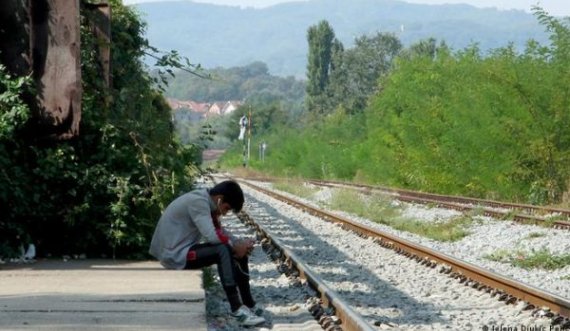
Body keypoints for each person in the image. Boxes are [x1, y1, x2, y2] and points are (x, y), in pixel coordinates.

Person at [149, 180, 265, 326]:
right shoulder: (198, 202)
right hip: (174, 255)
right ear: (220, 199)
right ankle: (237, 309)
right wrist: (234, 247)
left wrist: (239, 243)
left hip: (183, 249)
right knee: (223, 250)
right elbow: (212, 236)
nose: (225, 212)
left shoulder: (206, 202)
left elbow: (220, 231)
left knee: (237, 252)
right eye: (226, 208)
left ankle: (248, 304)